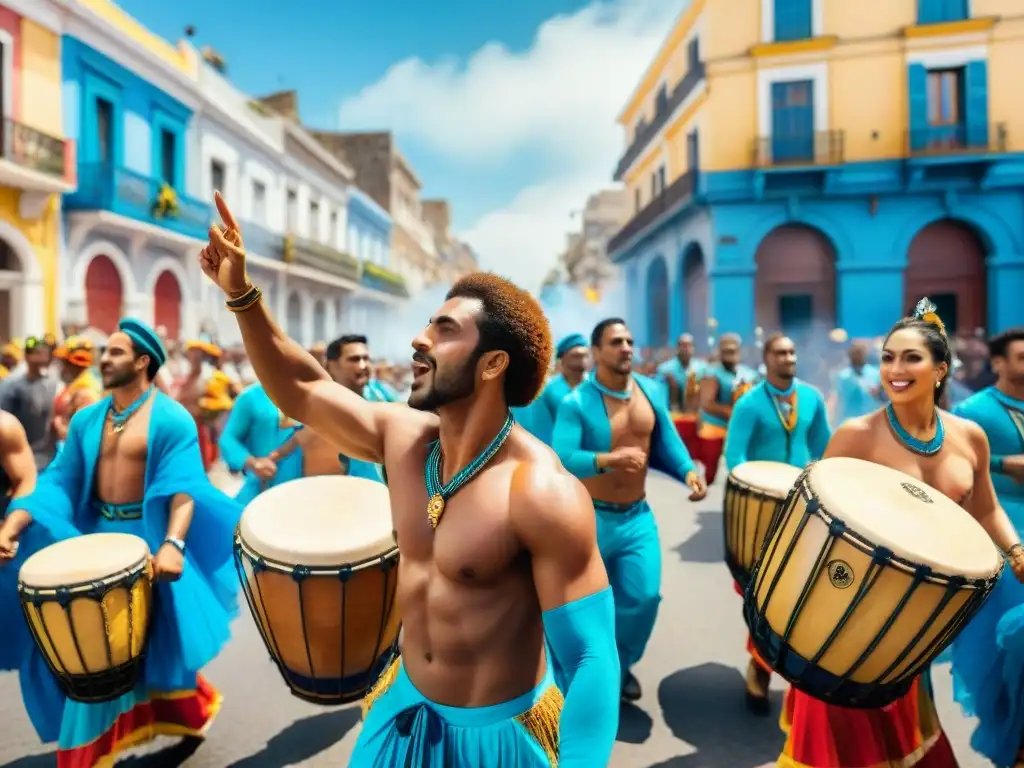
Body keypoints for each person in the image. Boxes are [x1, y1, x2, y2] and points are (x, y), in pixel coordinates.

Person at [200, 192, 619, 766]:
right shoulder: (404, 439)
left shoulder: (540, 491)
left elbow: (592, 658)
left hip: (496, 738)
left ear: (493, 364)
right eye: (427, 323)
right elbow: (303, 388)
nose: (420, 338)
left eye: (445, 329)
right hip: (403, 713)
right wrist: (242, 297)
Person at [776, 299, 1024, 768]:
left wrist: (1014, 551)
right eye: (888, 356)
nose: (894, 368)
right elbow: (815, 520)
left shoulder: (969, 436)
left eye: (911, 357)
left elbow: (987, 507)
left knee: (906, 733)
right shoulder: (856, 435)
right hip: (845, 617)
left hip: (919, 619)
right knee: (844, 746)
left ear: (941, 368)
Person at [0, 317, 241, 768]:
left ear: (142, 361)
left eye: (113, 352)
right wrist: (14, 524)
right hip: (95, 540)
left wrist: (173, 544)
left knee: (134, 643)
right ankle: (184, 708)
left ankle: (83, 754)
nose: (101, 359)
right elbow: (60, 479)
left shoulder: (171, 419)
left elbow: (184, 488)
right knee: (103, 644)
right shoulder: (89, 418)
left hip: (146, 540)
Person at [553, 317, 708, 702]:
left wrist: (688, 471)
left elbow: (667, 440)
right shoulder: (576, 403)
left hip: (636, 517)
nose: (625, 348)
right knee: (581, 605)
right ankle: (576, 680)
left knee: (644, 598)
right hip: (588, 517)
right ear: (597, 352)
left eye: (629, 340)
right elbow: (562, 457)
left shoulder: (650, 390)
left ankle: (620, 666)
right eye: (615, 342)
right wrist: (608, 459)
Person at [722, 333, 831, 714]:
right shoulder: (750, 403)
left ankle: (788, 674)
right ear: (766, 359)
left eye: (792, 351)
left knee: (801, 596)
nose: (789, 357)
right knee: (764, 595)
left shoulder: (813, 398)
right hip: (763, 510)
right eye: (781, 352)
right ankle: (760, 665)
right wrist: (759, 485)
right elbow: (734, 455)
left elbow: (824, 448)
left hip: (805, 510)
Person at [950, 326, 1024, 767]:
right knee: (1004, 645)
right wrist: (1002, 464)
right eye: (1020, 356)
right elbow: (954, 462)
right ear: (997, 362)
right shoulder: (972, 410)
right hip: (1000, 531)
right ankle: (1012, 737)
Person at [269, 335, 387, 482]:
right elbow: (289, 444)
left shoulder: (383, 396)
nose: (363, 365)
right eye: (354, 359)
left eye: (367, 359)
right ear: (331, 365)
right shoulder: (312, 405)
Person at [218, 381, 303, 507]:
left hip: (306, 491)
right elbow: (228, 439)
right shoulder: (251, 397)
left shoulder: (314, 395)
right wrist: (252, 463)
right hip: (264, 491)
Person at [697, 333, 754, 485]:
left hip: (740, 427)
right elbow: (707, 403)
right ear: (720, 351)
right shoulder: (711, 372)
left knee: (742, 470)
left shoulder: (749, 373)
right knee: (710, 472)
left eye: (733, 350)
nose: (730, 354)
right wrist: (734, 413)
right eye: (726, 350)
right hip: (715, 426)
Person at [516, 333, 589, 445]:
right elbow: (537, 424)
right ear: (562, 358)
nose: (581, 360)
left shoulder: (596, 387)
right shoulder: (549, 391)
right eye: (576, 356)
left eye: (585, 355)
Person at [0, 336, 59, 471]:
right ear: (26, 356)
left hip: (49, 456)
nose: (42, 355)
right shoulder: (11, 386)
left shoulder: (53, 383)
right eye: (35, 352)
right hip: (21, 455)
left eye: (43, 351)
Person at [829, 339, 881, 424]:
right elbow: (835, 397)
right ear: (850, 355)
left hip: (871, 421)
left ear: (865, 354)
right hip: (848, 421)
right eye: (855, 353)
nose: (858, 356)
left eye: (860, 353)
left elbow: (882, 398)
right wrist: (831, 417)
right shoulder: (843, 376)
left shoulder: (875, 373)